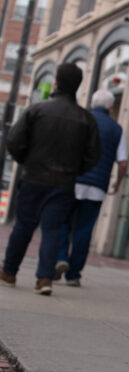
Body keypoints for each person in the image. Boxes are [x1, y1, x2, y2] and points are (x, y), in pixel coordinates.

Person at [0, 63, 101, 295]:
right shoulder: (85, 118)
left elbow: (14, 140)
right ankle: (44, 279)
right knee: (53, 230)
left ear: (57, 82)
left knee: (23, 226)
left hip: (33, 178)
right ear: (77, 85)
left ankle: (9, 272)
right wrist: (75, 170)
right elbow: (93, 155)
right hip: (64, 182)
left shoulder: (37, 110)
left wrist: (26, 160)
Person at [54, 89, 127, 287]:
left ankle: (60, 257)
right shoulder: (116, 129)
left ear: (92, 104)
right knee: (84, 230)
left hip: (72, 181)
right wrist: (116, 184)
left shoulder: (80, 120)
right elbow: (122, 163)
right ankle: (74, 274)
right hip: (97, 188)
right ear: (111, 107)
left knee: (63, 222)